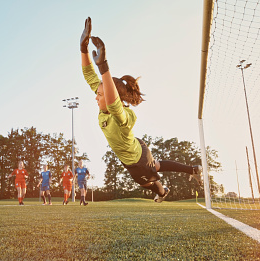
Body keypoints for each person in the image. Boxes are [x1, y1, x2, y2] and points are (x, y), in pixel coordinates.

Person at [80, 17, 202, 203]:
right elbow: (89, 74)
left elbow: (114, 105)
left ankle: (163, 192)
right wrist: (83, 47)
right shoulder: (104, 98)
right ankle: (193, 169)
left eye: (100, 94)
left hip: (137, 160)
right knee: (156, 166)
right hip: (136, 150)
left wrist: (104, 66)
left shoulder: (125, 116)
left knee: (148, 182)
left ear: (115, 98)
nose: (96, 96)